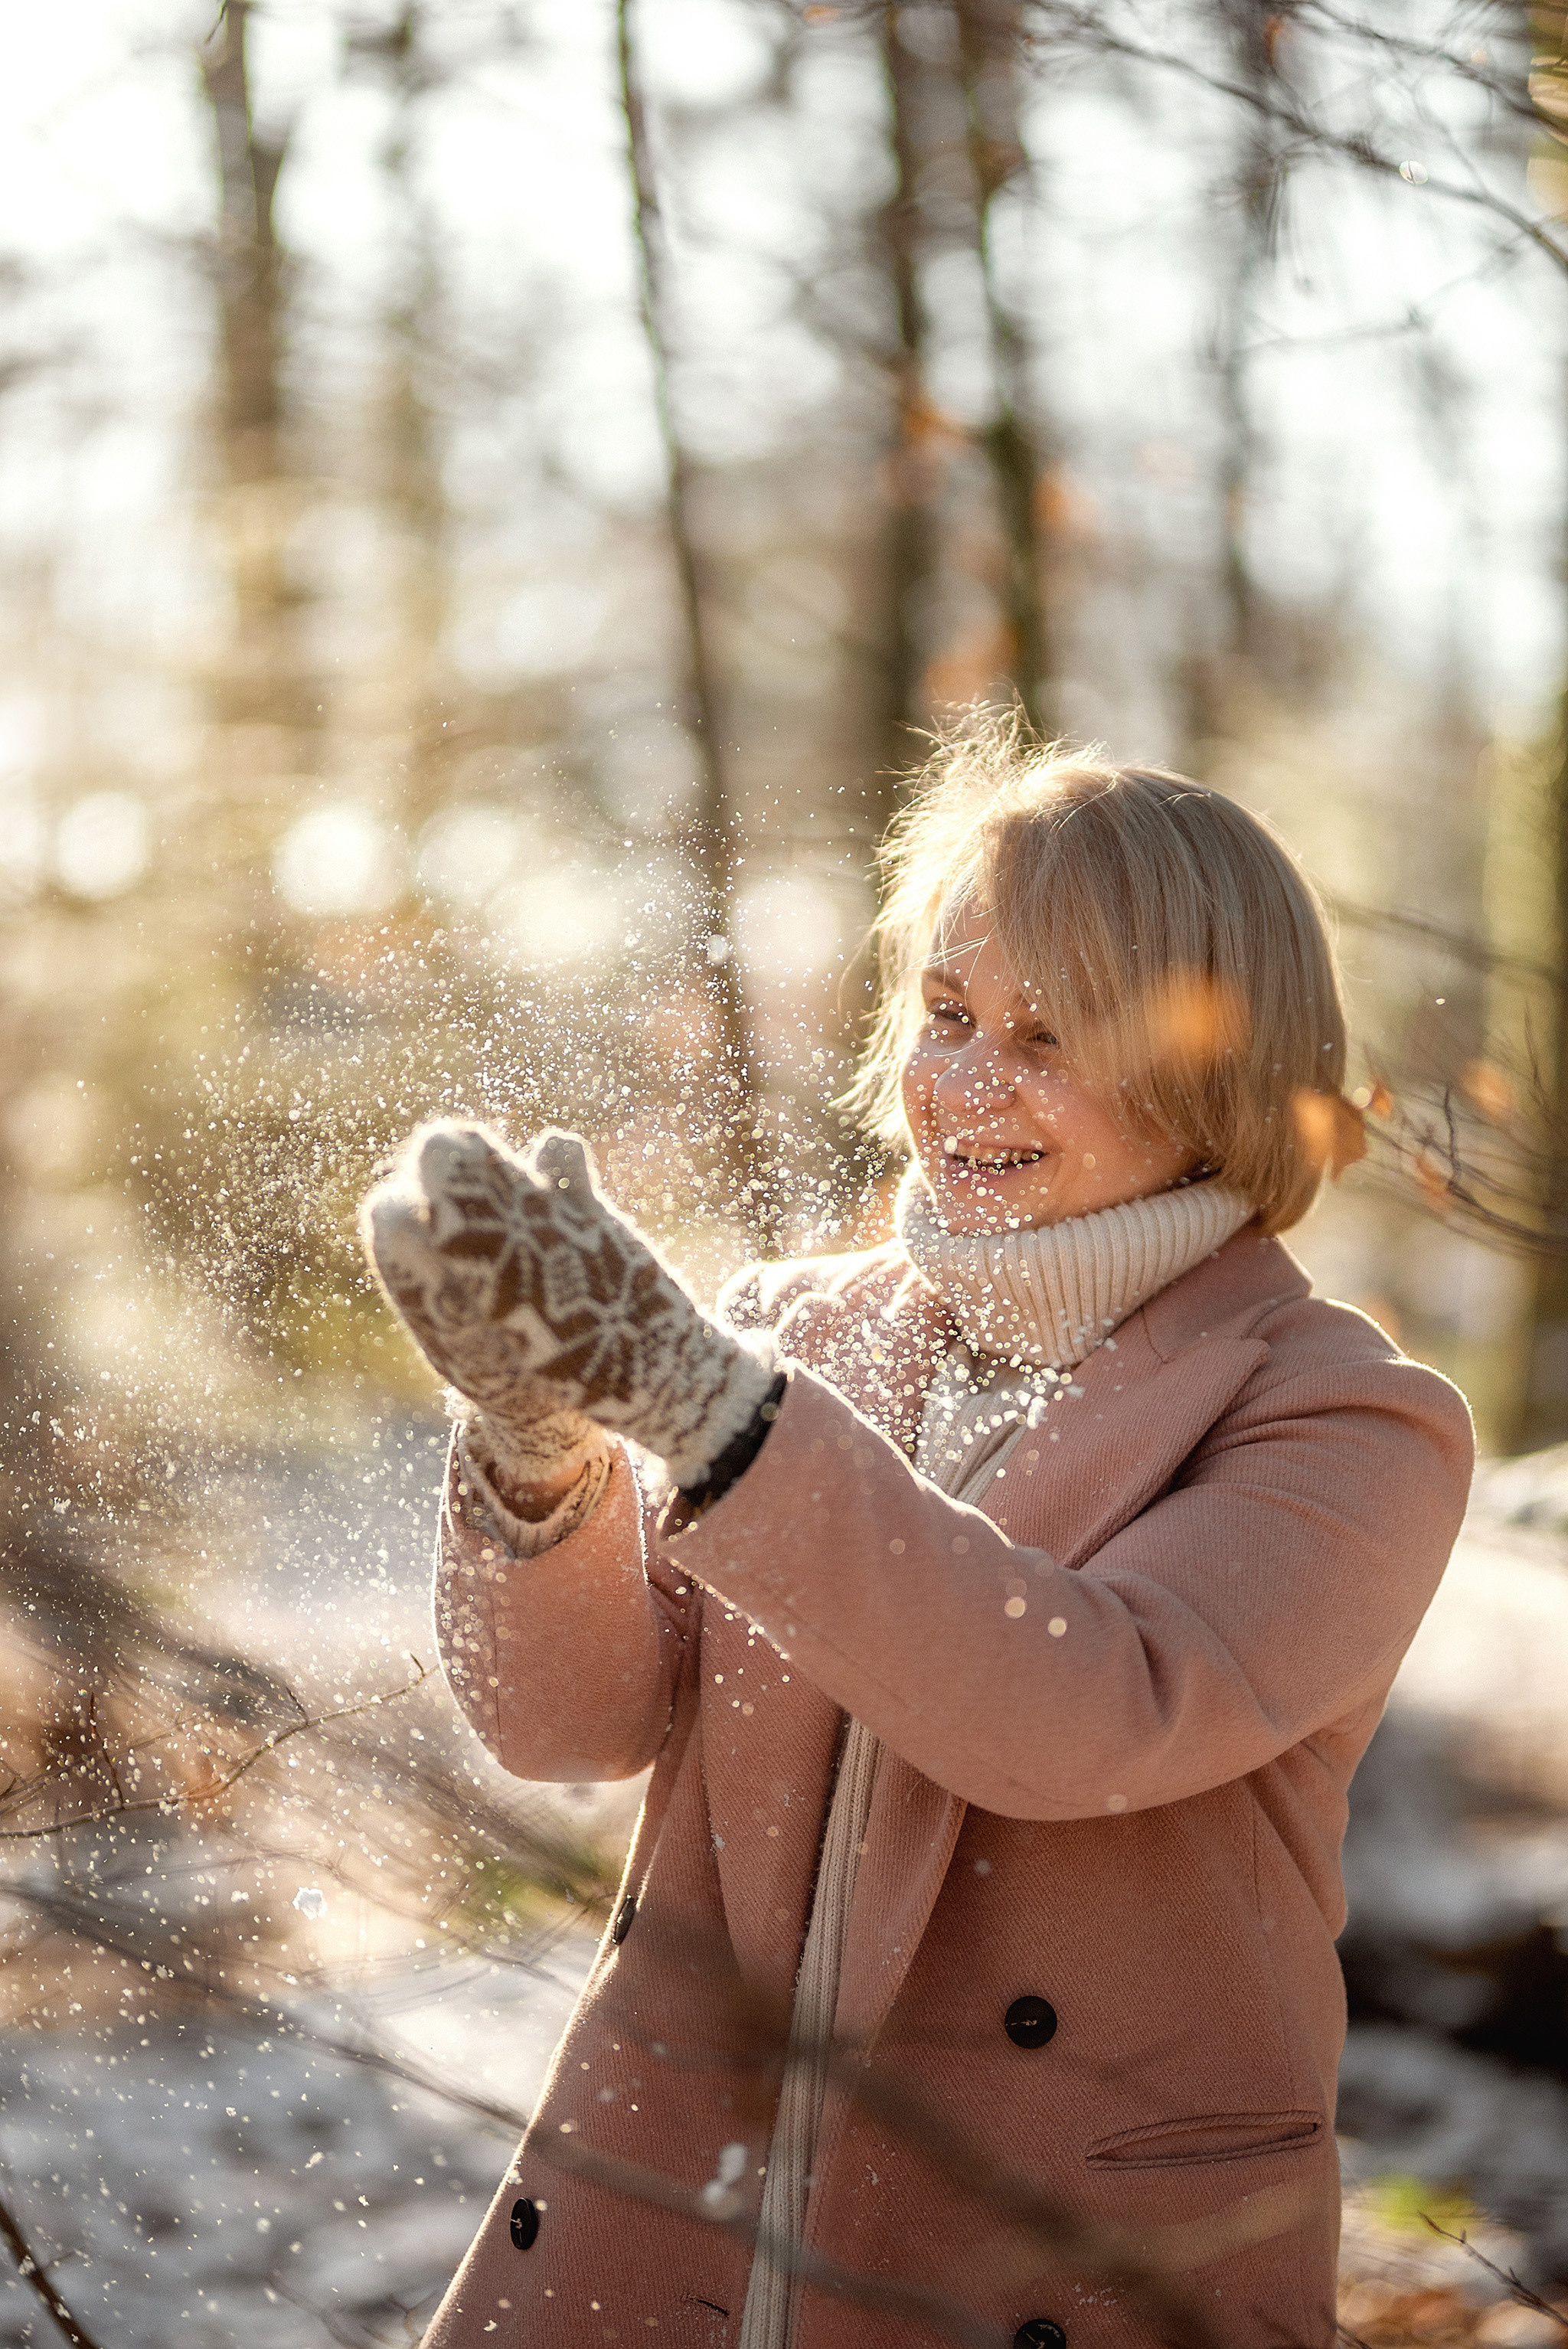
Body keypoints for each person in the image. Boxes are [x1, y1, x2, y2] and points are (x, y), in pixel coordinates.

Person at [361, 731, 1473, 2349]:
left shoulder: (1344, 1421)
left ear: (1209, 1075)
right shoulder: (790, 1333)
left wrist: (702, 1406)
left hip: (1060, 2258)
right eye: (947, 1016)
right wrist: (540, 1449)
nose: (963, 1082)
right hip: (681, 2206)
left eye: (1047, 1035)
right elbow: (568, 1725)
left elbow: (1080, 1710)